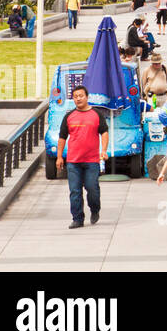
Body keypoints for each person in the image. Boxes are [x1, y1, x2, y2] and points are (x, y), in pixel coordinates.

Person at [56, 85, 107, 229]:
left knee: (92, 189)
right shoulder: (69, 116)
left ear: (87, 97)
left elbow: (104, 132)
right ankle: (77, 219)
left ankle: (95, 209)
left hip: (91, 160)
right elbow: (62, 137)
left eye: (81, 96)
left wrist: (104, 150)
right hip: (73, 161)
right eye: (75, 96)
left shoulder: (96, 114)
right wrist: (60, 157)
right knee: (75, 191)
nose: (78, 98)